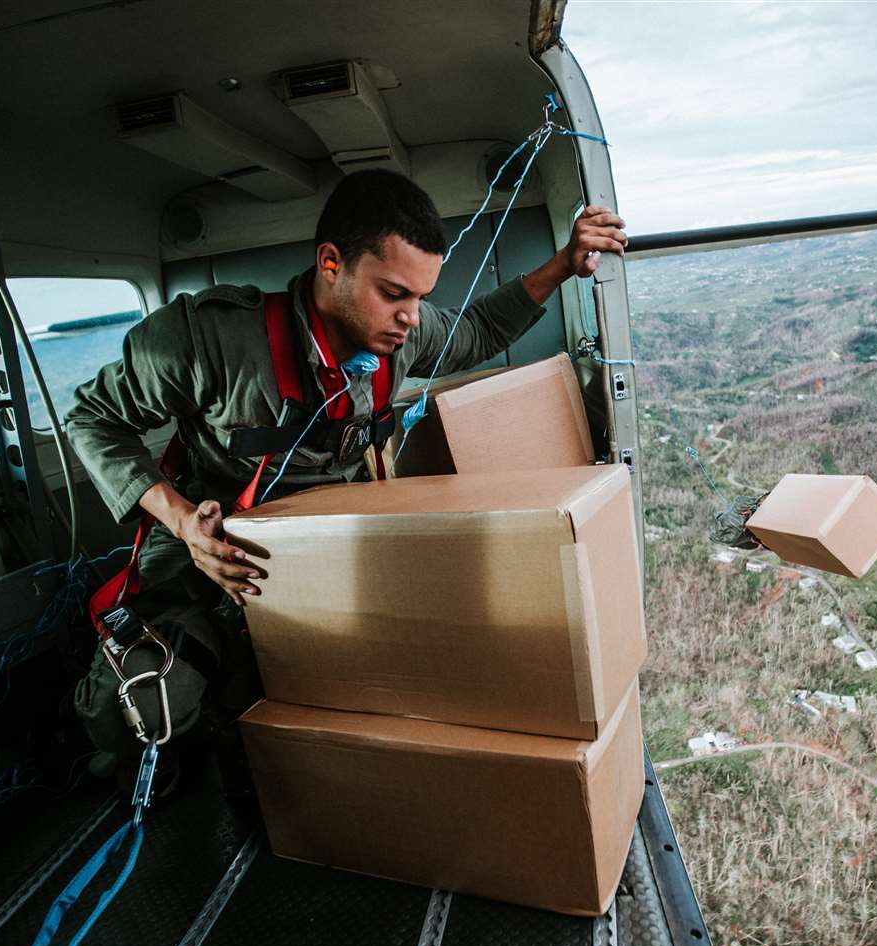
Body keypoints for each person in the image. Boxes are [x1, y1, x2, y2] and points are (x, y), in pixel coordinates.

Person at [63, 169, 627, 786]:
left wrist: (565, 263)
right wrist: (183, 525)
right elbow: (91, 419)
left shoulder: (400, 339)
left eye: (419, 297)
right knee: (139, 712)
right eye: (393, 293)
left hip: (334, 555)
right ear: (331, 263)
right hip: (210, 549)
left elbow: (478, 330)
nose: (412, 317)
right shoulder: (209, 338)